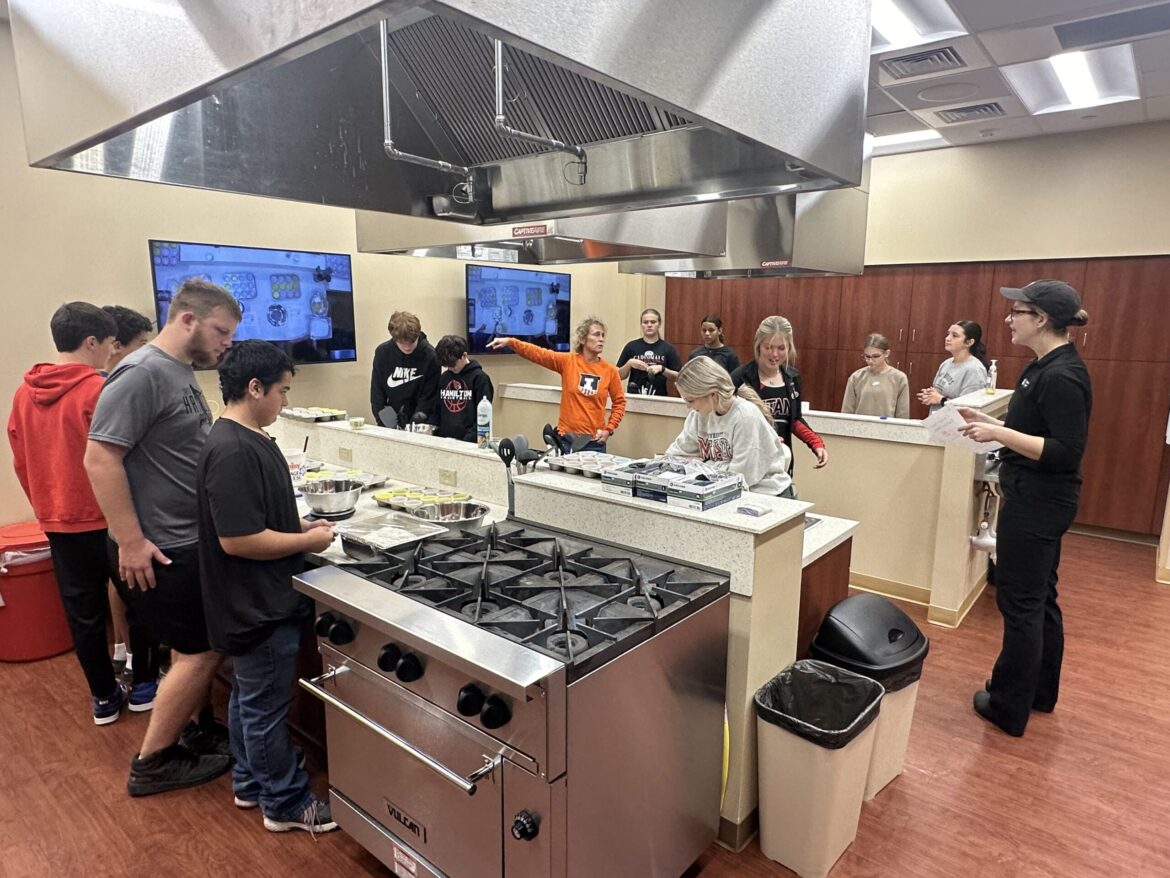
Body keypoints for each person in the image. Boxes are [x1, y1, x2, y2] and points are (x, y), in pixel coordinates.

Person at [85, 278, 240, 796]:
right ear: (188, 320)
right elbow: (100, 457)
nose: (226, 343)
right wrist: (129, 541)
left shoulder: (178, 372)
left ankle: (192, 734)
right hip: (160, 546)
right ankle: (152, 761)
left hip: (183, 539)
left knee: (191, 648)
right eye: (221, 331)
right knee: (202, 652)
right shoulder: (142, 373)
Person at [196, 340, 339, 833]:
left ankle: (249, 781)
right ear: (254, 388)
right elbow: (238, 539)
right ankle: (284, 802)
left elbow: (256, 514)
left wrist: (297, 523)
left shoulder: (246, 436)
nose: (285, 401)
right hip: (257, 606)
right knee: (265, 708)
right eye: (281, 391)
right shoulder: (233, 449)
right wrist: (307, 539)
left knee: (247, 700)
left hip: (247, 602)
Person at [7, 303, 156, 725]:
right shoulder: (99, 390)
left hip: (57, 520)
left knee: (83, 614)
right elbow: (125, 458)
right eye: (110, 344)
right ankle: (145, 685)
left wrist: (45, 506)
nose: (112, 353)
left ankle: (103, 698)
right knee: (142, 600)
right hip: (109, 521)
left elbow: (21, 460)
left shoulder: (23, 393)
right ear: (91, 342)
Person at [958, 281, 1091, 738]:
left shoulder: (1062, 375)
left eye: (1018, 312)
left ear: (1042, 319)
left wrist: (1000, 436)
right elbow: (1034, 429)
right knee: (1039, 598)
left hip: (1039, 503)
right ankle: (1038, 693)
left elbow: (1064, 451)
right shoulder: (1044, 368)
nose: (1009, 319)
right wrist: (992, 424)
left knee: (1020, 604)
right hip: (1036, 499)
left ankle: (1008, 706)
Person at [102, 304, 156, 677]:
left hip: (91, 514)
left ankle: (123, 650)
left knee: (116, 580)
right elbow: (104, 459)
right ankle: (142, 667)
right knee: (133, 584)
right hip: (123, 510)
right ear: (115, 345)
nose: (146, 351)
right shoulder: (119, 386)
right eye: (141, 343)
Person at [487, 316, 626, 451]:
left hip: (594, 443)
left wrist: (609, 429)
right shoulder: (568, 362)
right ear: (583, 339)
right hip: (566, 440)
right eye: (596, 335)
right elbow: (538, 354)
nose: (601, 339)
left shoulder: (610, 371)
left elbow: (619, 402)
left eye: (602, 335)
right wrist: (511, 342)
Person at [666, 357, 793, 496]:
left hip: (768, 495)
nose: (688, 406)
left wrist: (703, 464)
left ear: (712, 394)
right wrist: (719, 466)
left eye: (690, 400)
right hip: (724, 493)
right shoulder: (698, 415)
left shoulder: (745, 417)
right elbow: (672, 458)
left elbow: (740, 477)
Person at [731, 316, 828, 476]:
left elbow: (794, 420)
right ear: (758, 346)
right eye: (768, 347)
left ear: (789, 348)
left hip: (780, 462)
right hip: (747, 462)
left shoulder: (792, 378)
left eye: (781, 348)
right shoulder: (740, 378)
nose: (774, 354)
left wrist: (816, 443)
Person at [370, 311, 439, 428]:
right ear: (394, 338)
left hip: (420, 422)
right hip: (390, 418)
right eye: (402, 343)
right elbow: (377, 395)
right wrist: (388, 425)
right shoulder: (383, 353)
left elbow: (429, 397)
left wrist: (414, 426)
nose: (407, 347)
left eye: (411, 342)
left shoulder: (431, 356)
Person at [431, 334, 494, 442]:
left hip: (470, 442)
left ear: (464, 356)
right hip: (445, 440)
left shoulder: (480, 379)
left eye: (453, 364)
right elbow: (437, 411)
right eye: (447, 366)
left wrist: (466, 442)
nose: (451, 368)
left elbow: (483, 418)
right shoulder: (444, 378)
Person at [917, 320, 989, 412]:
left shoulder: (974, 370)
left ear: (969, 342)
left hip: (957, 425)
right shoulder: (946, 363)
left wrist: (941, 400)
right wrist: (929, 395)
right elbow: (937, 391)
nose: (947, 338)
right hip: (937, 420)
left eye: (954, 335)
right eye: (948, 334)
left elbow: (969, 409)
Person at [841, 333, 910, 418]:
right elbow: (846, 411)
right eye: (867, 356)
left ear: (886, 353)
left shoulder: (899, 378)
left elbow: (903, 414)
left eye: (875, 356)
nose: (870, 361)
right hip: (859, 428)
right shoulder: (856, 377)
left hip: (886, 429)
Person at [616, 308, 682, 396]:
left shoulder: (668, 348)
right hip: (634, 397)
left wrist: (663, 369)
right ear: (641, 325)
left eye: (653, 322)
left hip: (659, 398)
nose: (649, 325)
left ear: (659, 324)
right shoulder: (631, 346)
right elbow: (618, 376)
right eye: (645, 322)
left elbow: (679, 377)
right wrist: (629, 363)